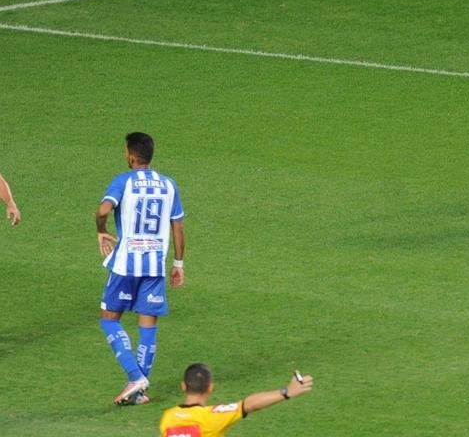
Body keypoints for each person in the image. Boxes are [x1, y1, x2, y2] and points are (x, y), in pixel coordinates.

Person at [96, 132, 185, 405]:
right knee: (148, 326)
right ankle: (139, 392)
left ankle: (135, 377)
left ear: (132, 156)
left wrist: (101, 230)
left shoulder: (123, 181)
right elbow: (178, 225)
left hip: (126, 264)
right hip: (155, 265)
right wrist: (178, 263)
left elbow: (103, 210)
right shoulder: (169, 185)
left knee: (109, 319)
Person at [159, 363, 314, 436]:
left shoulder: (168, 417)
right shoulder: (211, 417)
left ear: (183, 386)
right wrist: (287, 392)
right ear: (210, 388)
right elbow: (249, 405)